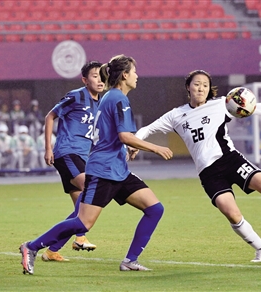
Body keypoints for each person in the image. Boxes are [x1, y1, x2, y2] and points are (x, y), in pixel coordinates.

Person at [132, 70, 261, 263]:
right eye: (196, 84)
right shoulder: (175, 115)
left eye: (205, 85)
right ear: (188, 87)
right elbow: (147, 129)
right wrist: (135, 144)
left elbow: (256, 107)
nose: (201, 88)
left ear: (209, 89)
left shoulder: (221, 104)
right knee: (231, 213)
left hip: (230, 160)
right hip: (208, 173)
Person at [19, 54, 173, 275]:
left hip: (117, 169)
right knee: (83, 223)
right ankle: (31, 246)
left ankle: (130, 260)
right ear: (125, 75)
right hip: (103, 171)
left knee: (155, 208)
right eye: (134, 71)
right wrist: (156, 147)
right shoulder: (117, 98)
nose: (137, 76)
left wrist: (127, 146)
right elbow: (124, 136)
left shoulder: (109, 97)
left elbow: (115, 135)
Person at [40, 61, 104, 261]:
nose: (100, 79)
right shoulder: (76, 96)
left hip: (83, 155)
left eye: (102, 75)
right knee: (91, 189)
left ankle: (54, 250)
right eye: (95, 76)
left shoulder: (100, 102)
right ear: (85, 80)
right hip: (67, 152)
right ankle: (77, 238)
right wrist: (48, 148)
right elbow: (50, 116)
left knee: (82, 209)